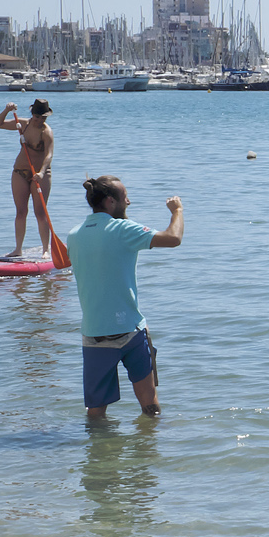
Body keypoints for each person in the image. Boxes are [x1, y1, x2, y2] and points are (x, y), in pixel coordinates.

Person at [67, 176, 183, 418]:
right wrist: (177, 210)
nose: (128, 202)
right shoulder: (122, 229)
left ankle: (98, 453)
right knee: (150, 405)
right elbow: (174, 238)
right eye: (125, 198)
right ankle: (151, 449)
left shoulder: (74, 235)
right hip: (130, 333)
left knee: (96, 412)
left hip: (94, 335)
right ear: (110, 201)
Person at [0, 99, 56, 257]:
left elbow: (49, 155)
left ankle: (46, 250)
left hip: (40, 174)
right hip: (20, 172)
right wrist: (6, 110)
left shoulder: (46, 132)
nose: (40, 120)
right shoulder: (23, 124)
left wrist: (41, 172)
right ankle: (18, 249)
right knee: (21, 212)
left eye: (44, 118)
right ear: (32, 114)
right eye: (37, 117)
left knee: (40, 213)